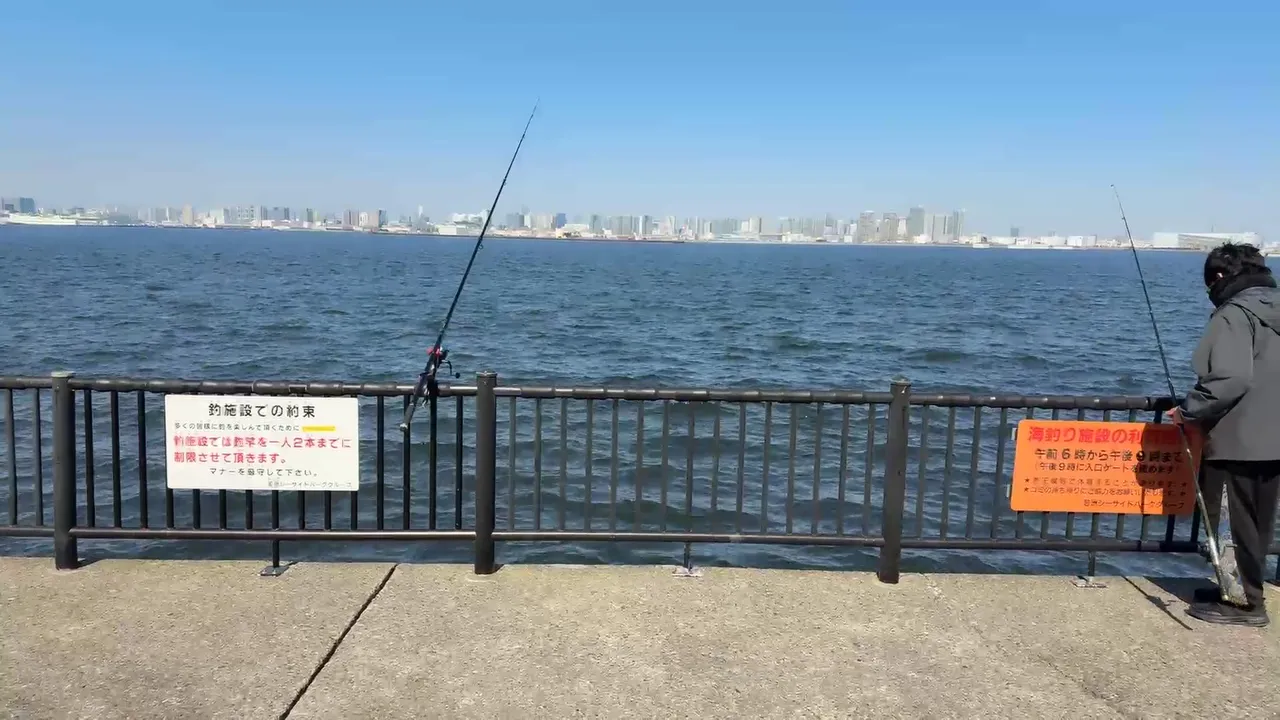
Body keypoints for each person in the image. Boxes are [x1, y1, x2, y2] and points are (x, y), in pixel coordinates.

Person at [1168, 242, 1280, 627]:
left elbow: (1231, 378)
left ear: (1218, 277)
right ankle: (1245, 590)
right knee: (1256, 523)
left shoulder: (1234, 314)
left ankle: (1243, 603)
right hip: (1273, 438)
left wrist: (1187, 409)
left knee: (1232, 523)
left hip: (1238, 438)